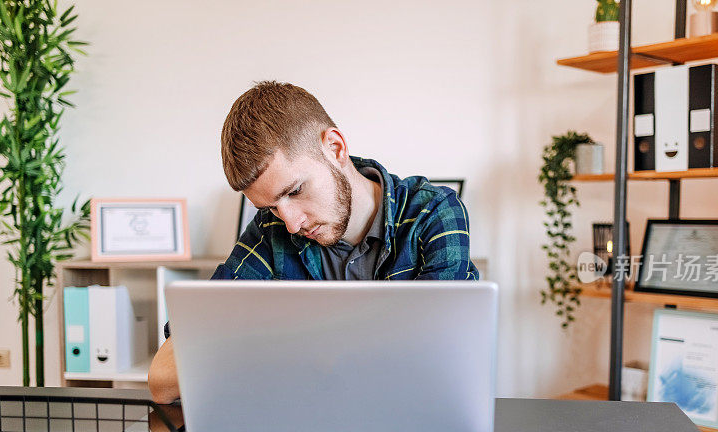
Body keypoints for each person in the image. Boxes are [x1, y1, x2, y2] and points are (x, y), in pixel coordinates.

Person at [148, 81, 479, 403]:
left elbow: (433, 361)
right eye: (272, 207)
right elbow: (162, 381)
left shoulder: (433, 212)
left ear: (335, 148)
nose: (290, 223)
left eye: (294, 191)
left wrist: (271, 341)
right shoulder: (270, 232)